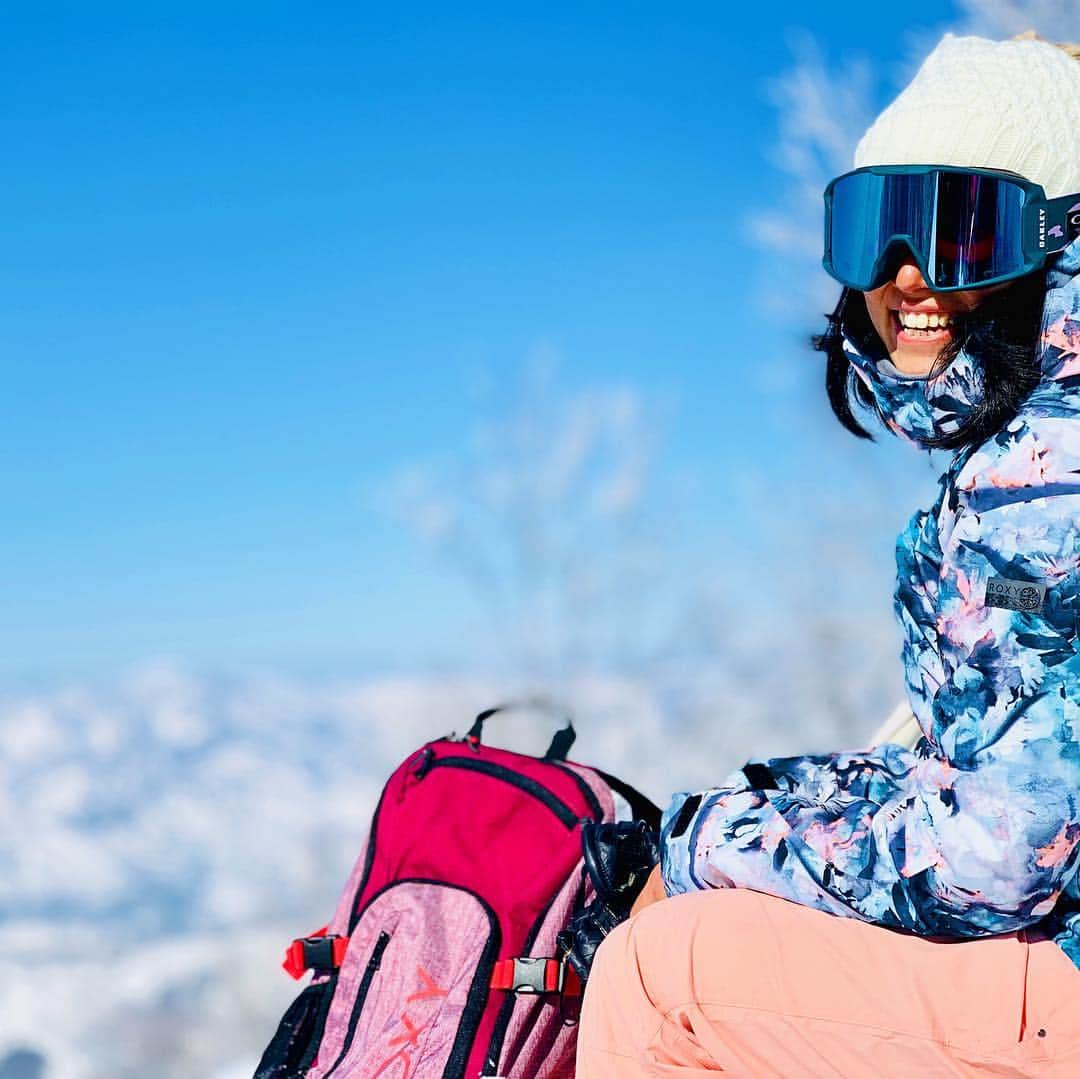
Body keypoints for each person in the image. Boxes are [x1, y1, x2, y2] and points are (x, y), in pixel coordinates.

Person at [576, 31, 1080, 1077]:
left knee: (665, 976)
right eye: (874, 231)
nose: (906, 277)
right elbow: (1003, 781)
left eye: (961, 230)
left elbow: (992, 864)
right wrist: (763, 812)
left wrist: (708, 847)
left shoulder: (1046, 482)